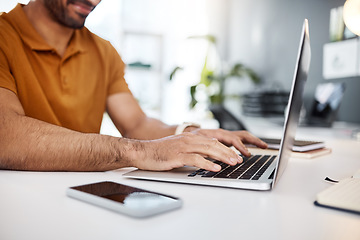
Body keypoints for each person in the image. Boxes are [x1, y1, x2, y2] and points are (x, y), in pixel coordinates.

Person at [0, 0, 267, 172]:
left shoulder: (103, 52)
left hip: (83, 196)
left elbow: (136, 125)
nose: (93, 1)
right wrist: (138, 151)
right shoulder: (3, 35)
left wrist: (190, 133)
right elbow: (6, 136)